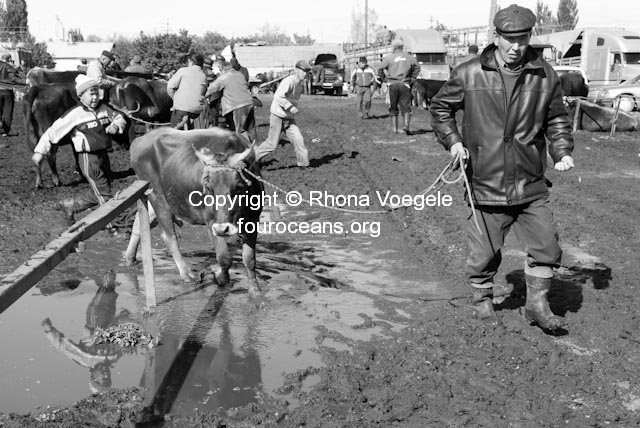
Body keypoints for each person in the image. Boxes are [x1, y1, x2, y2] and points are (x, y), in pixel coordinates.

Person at [429, 4, 575, 331]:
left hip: (529, 180)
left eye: (521, 39)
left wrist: (561, 149)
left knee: (546, 245)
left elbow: (557, 119)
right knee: (483, 253)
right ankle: (482, 302)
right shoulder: (468, 73)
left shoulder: (545, 75)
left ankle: (536, 304)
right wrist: (453, 140)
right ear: (496, 37)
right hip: (485, 180)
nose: (514, 46)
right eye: (508, 39)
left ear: (529, 38)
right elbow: (440, 108)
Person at [31, 75, 127, 228]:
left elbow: (119, 117)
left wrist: (116, 125)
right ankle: (112, 227)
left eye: (96, 92)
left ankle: (71, 205)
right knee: (104, 192)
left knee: (103, 187)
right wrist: (40, 152)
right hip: (88, 158)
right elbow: (53, 131)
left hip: (104, 155)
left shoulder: (104, 108)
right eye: (91, 93)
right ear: (81, 96)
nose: (95, 97)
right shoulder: (74, 114)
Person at [255, 60, 311, 167]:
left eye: (307, 72)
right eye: (303, 71)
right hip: (278, 116)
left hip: (288, 118)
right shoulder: (289, 81)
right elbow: (278, 96)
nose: (305, 74)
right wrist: (290, 107)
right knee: (272, 144)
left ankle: (303, 164)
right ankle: (252, 159)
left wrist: (291, 110)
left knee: (298, 139)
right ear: (296, 70)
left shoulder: (300, 85)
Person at [205, 61, 257, 143]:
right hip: (249, 103)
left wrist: (202, 96)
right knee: (251, 128)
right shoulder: (239, 74)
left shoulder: (224, 77)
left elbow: (212, 89)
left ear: (222, 69)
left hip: (238, 106)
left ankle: (247, 150)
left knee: (240, 131)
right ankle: (255, 148)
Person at [377, 38, 420, 134]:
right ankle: (406, 126)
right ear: (402, 47)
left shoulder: (389, 58)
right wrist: (412, 78)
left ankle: (395, 129)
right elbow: (417, 67)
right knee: (406, 106)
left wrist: (384, 79)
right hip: (405, 84)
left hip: (392, 84)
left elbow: (379, 68)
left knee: (393, 106)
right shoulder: (409, 57)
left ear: (393, 47)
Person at [166, 53, 208, 129]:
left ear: (191, 62)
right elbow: (204, 91)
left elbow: (170, 87)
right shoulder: (203, 75)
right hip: (196, 111)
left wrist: (174, 99)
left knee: (174, 132)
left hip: (181, 109)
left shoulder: (183, 71)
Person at [0, 53, 25, 137]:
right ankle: (5, 131)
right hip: (7, 91)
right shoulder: (8, 67)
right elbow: (13, 79)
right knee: (7, 112)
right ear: (9, 59)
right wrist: (25, 81)